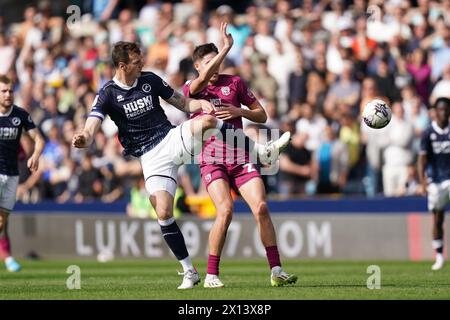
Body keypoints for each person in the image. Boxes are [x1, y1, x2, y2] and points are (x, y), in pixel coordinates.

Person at [72, 41, 291, 289]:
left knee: (207, 121)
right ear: (123, 66)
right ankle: (190, 271)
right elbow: (92, 125)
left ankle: (261, 150)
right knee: (164, 212)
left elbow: (183, 103)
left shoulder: (150, 80)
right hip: (150, 157)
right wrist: (84, 138)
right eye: (136, 62)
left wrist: (201, 105)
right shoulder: (108, 93)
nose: (141, 64)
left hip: (171, 139)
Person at [183, 23, 297, 288]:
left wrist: (240, 112)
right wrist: (225, 49)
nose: (215, 66)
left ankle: (276, 270)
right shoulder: (193, 87)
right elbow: (198, 83)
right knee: (225, 211)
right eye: (209, 62)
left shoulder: (234, 83)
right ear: (198, 66)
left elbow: (263, 115)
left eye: (217, 60)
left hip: (240, 155)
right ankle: (212, 274)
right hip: (211, 159)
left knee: (262, 207)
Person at [0, 75, 45, 272]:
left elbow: (39, 139)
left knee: (2, 221)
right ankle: (8, 257)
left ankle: (7, 257)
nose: (8, 94)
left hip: (12, 175)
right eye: (3, 91)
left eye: (10, 90)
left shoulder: (20, 115)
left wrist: (35, 155)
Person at [418, 97, 450, 271]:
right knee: (438, 219)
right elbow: (422, 158)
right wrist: (423, 181)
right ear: (435, 112)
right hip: (436, 180)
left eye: (446, 110)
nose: (443, 113)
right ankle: (439, 255)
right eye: (441, 110)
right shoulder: (428, 132)